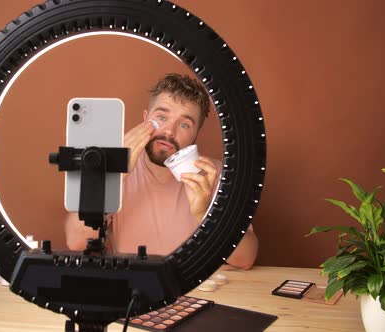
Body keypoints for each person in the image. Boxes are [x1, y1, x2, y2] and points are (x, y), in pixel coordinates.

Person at [65, 73, 258, 270]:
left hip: (195, 288)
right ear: (145, 118)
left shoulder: (213, 174)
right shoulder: (112, 169)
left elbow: (246, 258)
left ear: (197, 134)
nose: (169, 131)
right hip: (134, 286)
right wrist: (112, 177)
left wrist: (204, 213)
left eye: (184, 124)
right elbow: (76, 242)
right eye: (161, 117)